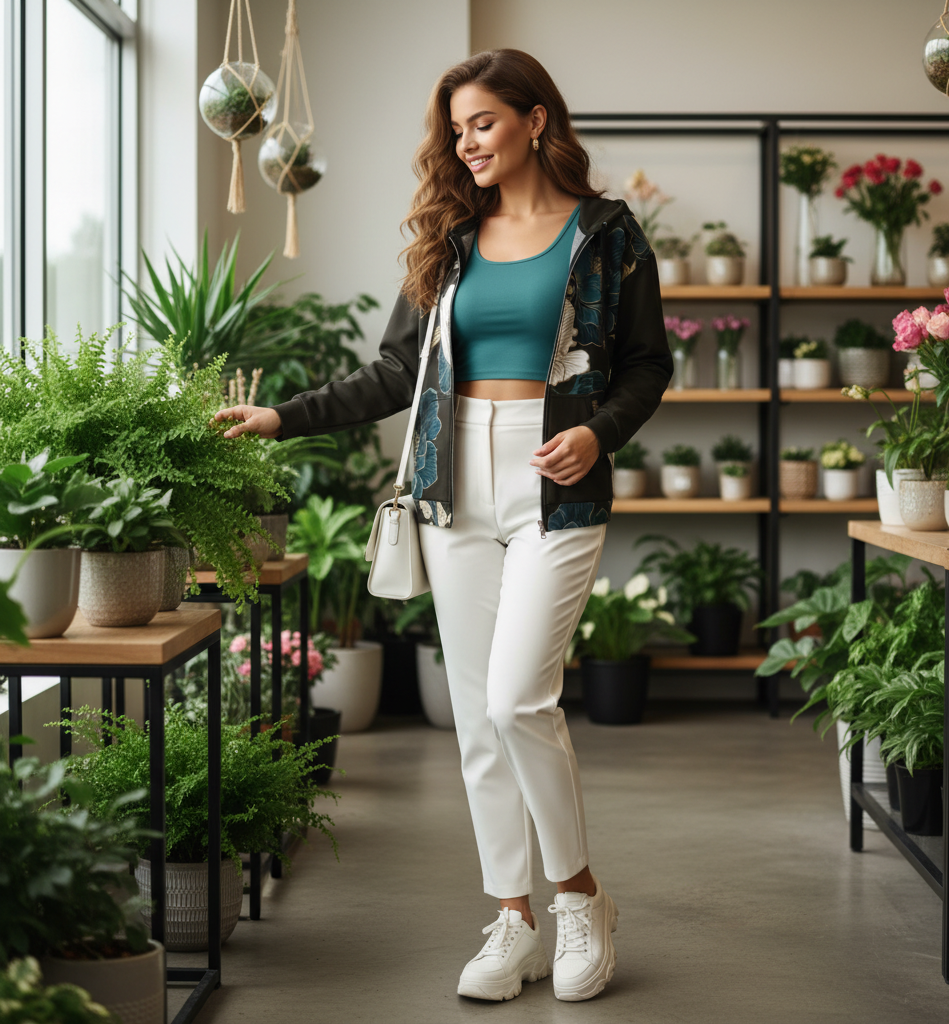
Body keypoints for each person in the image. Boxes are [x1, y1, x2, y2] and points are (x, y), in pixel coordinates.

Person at [216, 48, 671, 1003]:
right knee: (476, 718)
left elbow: (645, 366)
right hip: (451, 479)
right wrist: (280, 415)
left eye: (483, 124)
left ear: (535, 119)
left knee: (519, 702)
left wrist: (597, 432)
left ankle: (581, 900)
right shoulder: (452, 243)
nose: (465, 144)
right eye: (456, 129)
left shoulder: (606, 232)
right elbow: (392, 374)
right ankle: (513, 918)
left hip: (555, 485)